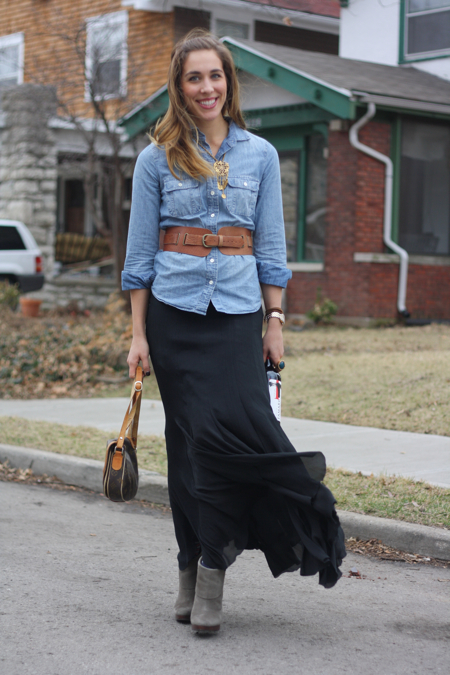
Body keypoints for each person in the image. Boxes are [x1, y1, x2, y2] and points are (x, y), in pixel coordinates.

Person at [122, 29, 345, 635]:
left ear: (228, 83)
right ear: (179, 87)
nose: (207, 88)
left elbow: (271, 247)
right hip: (173, 317)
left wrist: (275, 320)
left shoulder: (261, 155)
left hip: (239, 318)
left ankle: (213, 566)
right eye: (194, 77)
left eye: (215, 76)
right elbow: (139, 258)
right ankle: (190, 568)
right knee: (187, 449)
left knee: (230, 445)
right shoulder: (155, 159)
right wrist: (138, 335)